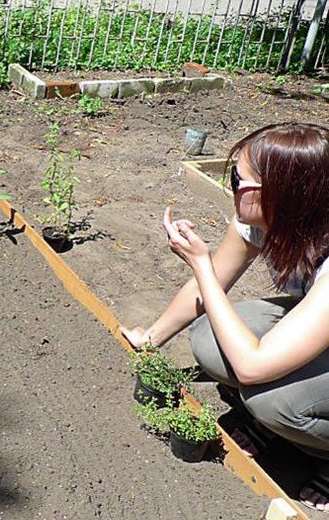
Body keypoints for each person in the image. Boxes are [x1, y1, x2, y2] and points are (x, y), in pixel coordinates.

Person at [119, 122, 329, 511]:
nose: (231, 186)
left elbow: (250, 367)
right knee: (209, 341)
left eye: (238, 179)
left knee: (272, 400)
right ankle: (277, 428)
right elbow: (209, 287)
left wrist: (199, 263)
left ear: (282, 194)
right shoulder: (265, 220)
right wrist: (151, 339)